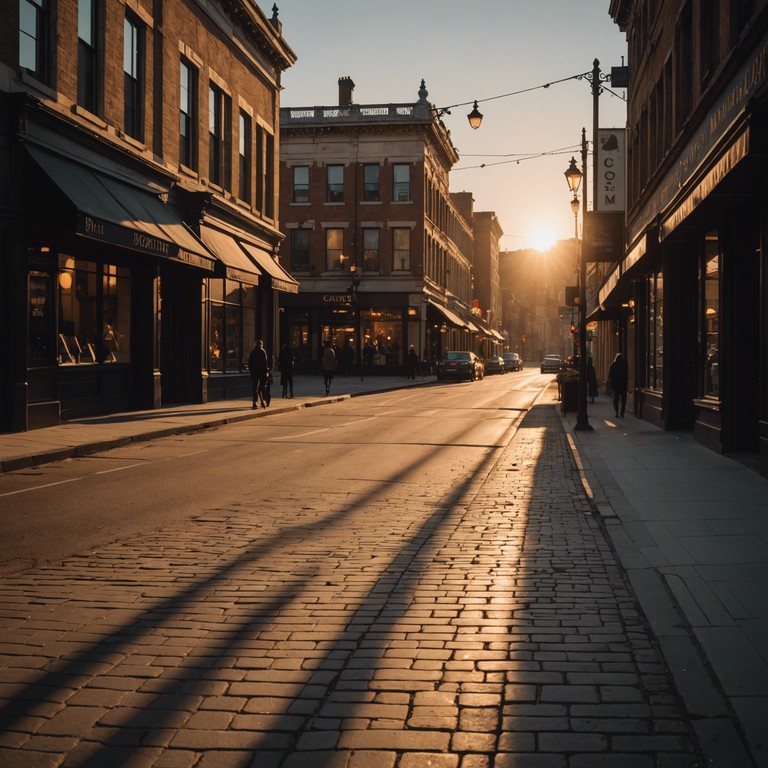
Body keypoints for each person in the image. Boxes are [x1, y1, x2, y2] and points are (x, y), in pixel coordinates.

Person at [248, 340, 270, 408]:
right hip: (262, 372)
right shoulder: (263, 352)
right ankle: (263, 400)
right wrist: (266, 371)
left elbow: (250, 363)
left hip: (255, 372)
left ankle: (254, 402)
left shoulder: (253, 352)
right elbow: (265, 363)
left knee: (254, 387)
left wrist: (251, 371)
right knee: (262, 387)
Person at [608, 352, 629, 418]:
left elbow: (610, 375)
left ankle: (616, 412)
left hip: (616, 385)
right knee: (623, 399)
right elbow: (626, 374)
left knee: (616, 399)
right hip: (623, 384)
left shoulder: (613, 364)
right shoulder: (624, 364)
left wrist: (611, 383)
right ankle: (622, 412)